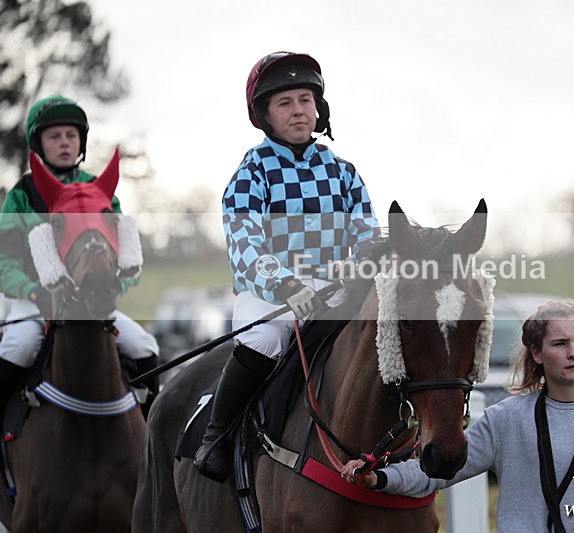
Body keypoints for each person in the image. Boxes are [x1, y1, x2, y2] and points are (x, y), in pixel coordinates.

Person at [193, 51, 381, 483]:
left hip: (335, 291)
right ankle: (217, 437)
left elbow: (368, 235)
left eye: (305, 100)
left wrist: (353, 275)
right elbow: (245, 245)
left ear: (319, 109)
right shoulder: (251, 172)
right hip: (268, 294)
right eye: (285, 103)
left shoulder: (343, 172)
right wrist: (287, 284)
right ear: (264, 115)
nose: (299, 110)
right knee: (262, 338)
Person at [341, 299, 574, 532]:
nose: (573, 353)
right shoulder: (507, 419)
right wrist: (380, 478)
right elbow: (435, 473)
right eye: (560, 344)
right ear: (537, 353)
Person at [0, 95, 160, 416]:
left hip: (91, 299)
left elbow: (124, 261)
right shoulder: (20, 195)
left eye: (71, 135)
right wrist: (35, 292)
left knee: (143, 346)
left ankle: (150, 437)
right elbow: (5, 263)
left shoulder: (101, 191)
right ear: (39, 143)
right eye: (54, 136)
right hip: (33, 300)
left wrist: (110, 289)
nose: (64, 143)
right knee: (20, 345)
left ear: (81, 141)